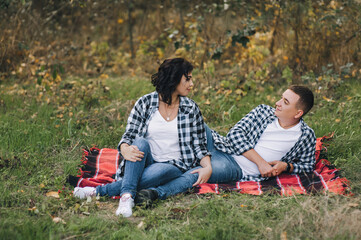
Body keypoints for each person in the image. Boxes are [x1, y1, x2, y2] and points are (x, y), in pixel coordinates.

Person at [73, 58, 212, 217]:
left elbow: (199, 145)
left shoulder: (191, 108)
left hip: (174, 164)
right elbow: (129, 135)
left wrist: (207, 167)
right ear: (174, 79)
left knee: (161, 170)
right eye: (187, 79)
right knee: (139, 142)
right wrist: (125, 148)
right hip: (143, 161)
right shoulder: (145, 103)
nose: (192, 83)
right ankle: (127, 194)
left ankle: (114, 194)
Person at [136, 85, 316, 203]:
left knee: (196, 175)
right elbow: (234, 134)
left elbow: (308, 165)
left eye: (285, 102)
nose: (277, 103)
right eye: (281, 98)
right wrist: (261, 162)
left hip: (235, 166)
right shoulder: (263, 112)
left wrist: (287, 166)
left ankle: (153, 193)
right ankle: (147, 152)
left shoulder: (305, 136)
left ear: (298, 113)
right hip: (222, 146)